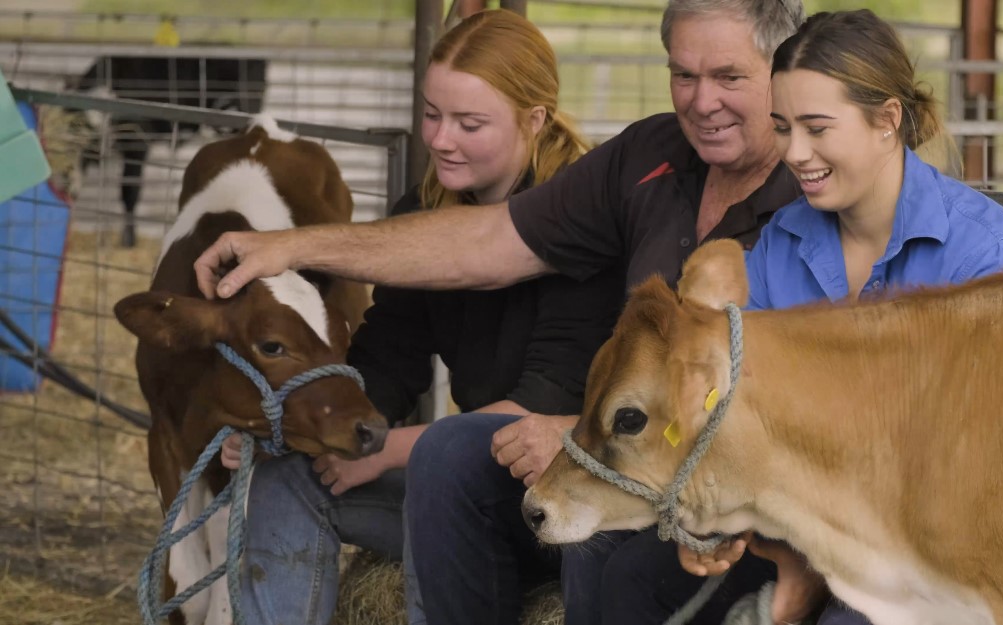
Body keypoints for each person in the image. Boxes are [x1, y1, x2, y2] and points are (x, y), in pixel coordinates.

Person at [198, 1, 811, 624]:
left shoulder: (814, 191)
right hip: (567, 464)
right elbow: (472, 255)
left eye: (728, 77)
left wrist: (566, 432)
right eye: (683, 74)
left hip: (690, 484)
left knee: (560, 483)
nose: (701, 100)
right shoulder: (645, 157)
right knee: (439, 453)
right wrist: (288, 255)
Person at [217, 10, 624, 625]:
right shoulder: (427, 208)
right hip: (465, 470)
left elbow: (544, 403)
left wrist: (390, 451)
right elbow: (387, 359)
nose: (439, 139)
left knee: (439, 492)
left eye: (469, 122)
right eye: (432, 114)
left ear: (533, 120)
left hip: (564, 497)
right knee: (287, 478)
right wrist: (298, 424)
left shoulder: (584, 220)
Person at [665, 9, 1003, 625]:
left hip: (940, 553)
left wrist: (813, 567)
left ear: (887, 120)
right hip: (803, 526)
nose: (794, 153)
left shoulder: (993, 259)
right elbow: (741, 406)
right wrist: (716, 523)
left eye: (817, 128)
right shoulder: (780, 243)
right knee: (634, 573)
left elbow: (991, 473)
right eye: (783, 127)